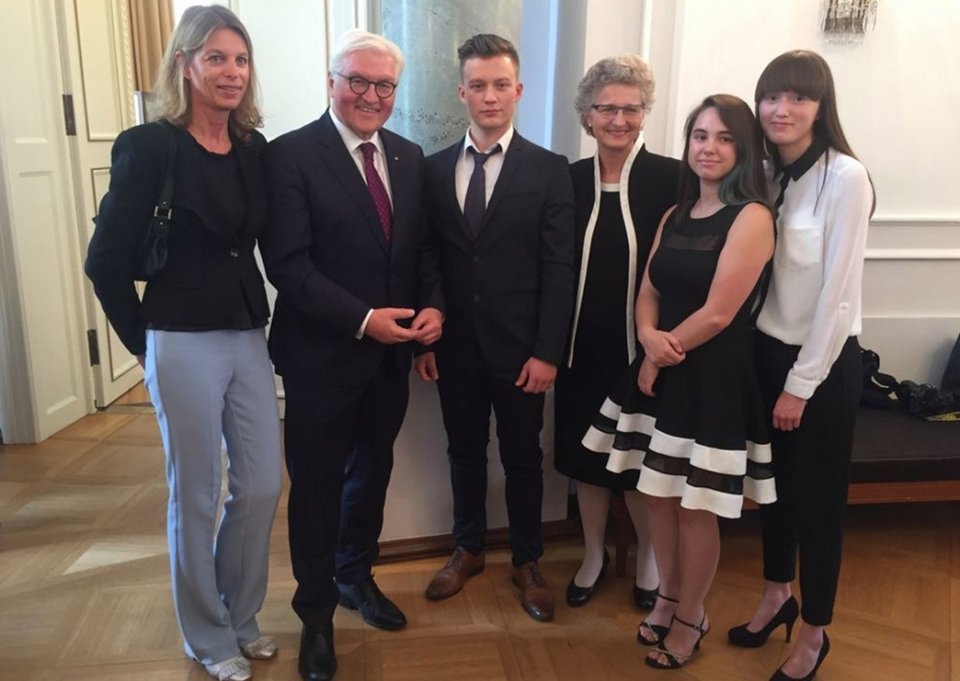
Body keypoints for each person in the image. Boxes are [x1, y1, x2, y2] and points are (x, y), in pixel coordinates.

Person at [84, 6, 281, 681]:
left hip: (246, 331)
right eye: (216, 57)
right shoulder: (149, 147)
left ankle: (241, 615)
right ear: (185, 64)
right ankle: (207, 635)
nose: (232, 71)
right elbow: (104, 260)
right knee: (195, 492)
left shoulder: (253, 147)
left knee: (260, 484)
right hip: (178, 335)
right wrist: (144, 345)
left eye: (241, 59)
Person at [260, 29, 443, 681]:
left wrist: (434, 309)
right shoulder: (289, 156)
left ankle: (354, 576)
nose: (371, 95)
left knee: (372, 473)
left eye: (384, 84)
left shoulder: (408, 156)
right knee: (315, 490)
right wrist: (365, 321)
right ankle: (314, 616)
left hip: (390, 361)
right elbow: (289, 265)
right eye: (358, 81)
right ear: (331, 82)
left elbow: (422, 249)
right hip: (320, 359)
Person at [582, 94, 777, 670]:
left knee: (695, 507)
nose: (708, 148)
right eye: (700, 136)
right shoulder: (676, 213)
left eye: (724, 138)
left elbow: (718, 313)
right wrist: (647, 335)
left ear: (743, 150)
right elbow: (649, 289)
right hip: (663, 365)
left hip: (711, 375)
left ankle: (692, 615)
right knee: (655, 494)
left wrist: (657, 355)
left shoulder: (753, 217)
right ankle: (668, 596)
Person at [415, 34, 575, 622]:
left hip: (522, 351)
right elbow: (427, 257)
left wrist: (548, 351)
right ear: (461, 92)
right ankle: (468, 548)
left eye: (500, 85)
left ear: (518, 90)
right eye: (478, 85)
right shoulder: (433, 170)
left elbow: (560, 268)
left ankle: (527, 560)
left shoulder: (549, 170)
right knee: (462, 452)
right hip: (453, 346)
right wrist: (427, 333)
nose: (490, 96)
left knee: (524, 458)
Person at [728, 50, 874, 681]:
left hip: (821, 366)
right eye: (771, 96)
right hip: (764, 355)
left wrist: (800, 385)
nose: (781, 109)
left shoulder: (846, 177)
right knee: (773, 493)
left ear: (821, 106)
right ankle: (775, 597)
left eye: (798, 97)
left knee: (816, 504)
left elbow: (838, 298)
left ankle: (815, 631)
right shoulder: (762, 174)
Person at [559, 55, 680, 610]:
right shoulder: (567, 180)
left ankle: (649, 562)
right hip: (580, 348)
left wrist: (661, 342)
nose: (619, 119)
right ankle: (593, 555)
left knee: (638, 463)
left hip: (643, 351)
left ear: (644, 114)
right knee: (586, 461)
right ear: (587, 114)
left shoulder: (672, 178)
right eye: (607, 108)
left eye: (632, 109)